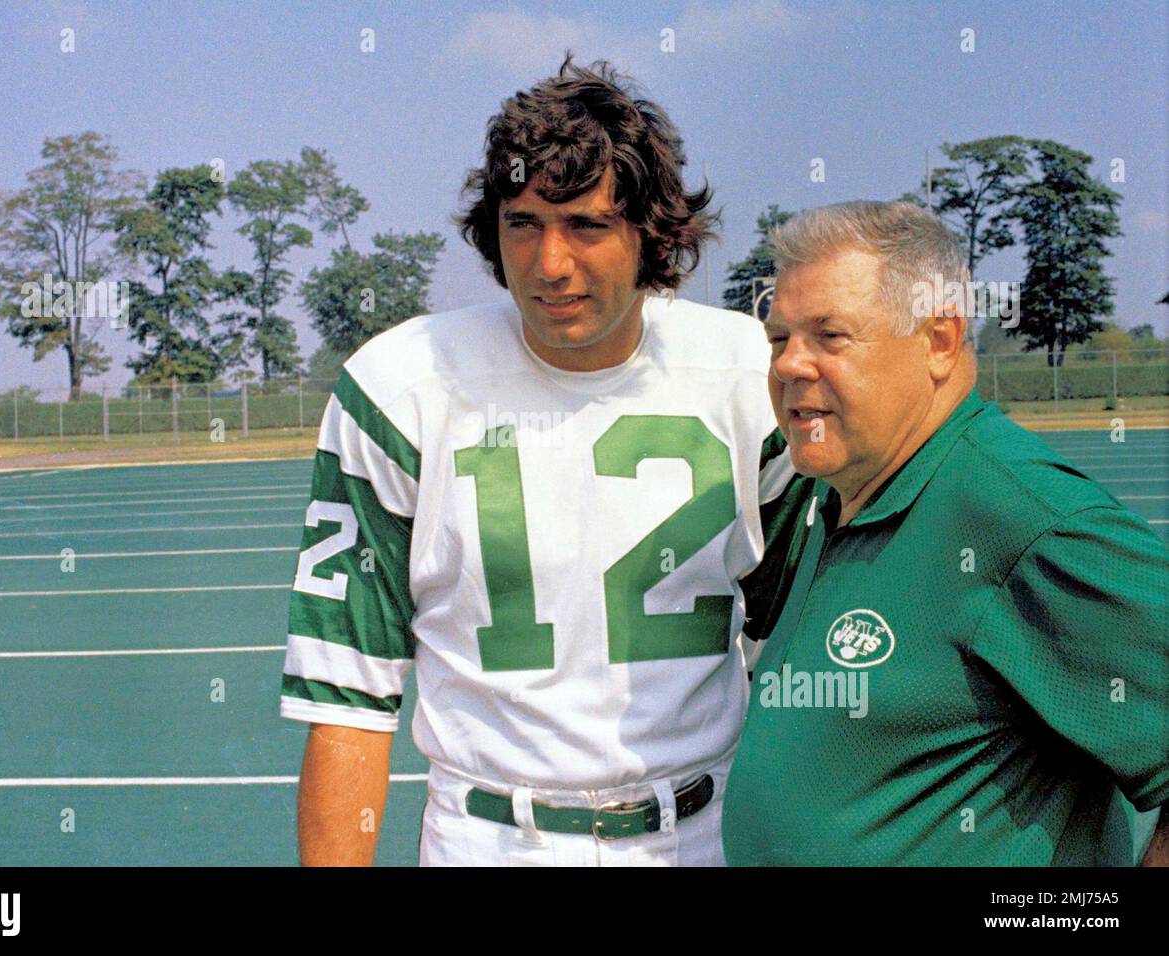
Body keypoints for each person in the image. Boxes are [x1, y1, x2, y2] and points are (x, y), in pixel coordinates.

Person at [279, 55, 808, 866]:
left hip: (705, 833)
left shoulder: (750, 376)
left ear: (653, 234)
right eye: (523, 224)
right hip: (487, 839)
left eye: (588, 226)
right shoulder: (397, 388)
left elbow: (799, 656)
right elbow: (350, 698)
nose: (550, 264)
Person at [722, 200, 1169, 866]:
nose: (789, 365)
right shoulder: (835, 495)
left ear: (937, 341)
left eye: (830, 336)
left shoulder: (1025, 516)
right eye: (779, 339)